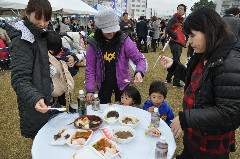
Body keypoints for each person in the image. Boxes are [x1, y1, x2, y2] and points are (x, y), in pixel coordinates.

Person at [159, 8, 240, 159]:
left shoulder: (229, 63)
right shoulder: (202, 54)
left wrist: (185, 119)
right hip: (194, 135)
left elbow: (229, 114)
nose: (189, 41)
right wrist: (175, 66)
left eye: (192, 36)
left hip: (211, 145)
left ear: (209, 32)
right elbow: (197, 84)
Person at [5, 0, 55, 139]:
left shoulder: (38, 34)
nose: (42, 23)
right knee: (41, 141)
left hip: (45, 97)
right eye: (38, 18)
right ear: (27, 13)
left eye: (46, 20)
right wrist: (35, 98)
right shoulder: (22, 39)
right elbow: (19, 79)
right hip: (34, 102)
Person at [85, 9, 147, 104]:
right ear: (99, 29)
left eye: (113, 30)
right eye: (107, 31)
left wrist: (139, 72)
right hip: (103, 83)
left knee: (123, 110)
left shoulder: (124, 40)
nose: (110, 33)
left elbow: (139, 59)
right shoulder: (93, 44)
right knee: (103, 109)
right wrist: (90, 89)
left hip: (123, 82)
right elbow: (90, 68)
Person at [165, 4, 186, 87]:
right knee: (177, 62)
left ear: (184, 11)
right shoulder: (174, 19)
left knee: (175, 61)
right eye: (179, 9)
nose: (180, 10)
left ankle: (168, 79)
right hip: (175, 42)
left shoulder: (181, 20)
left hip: (179, 42)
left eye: (182, 9)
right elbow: (168, 29)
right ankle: (176, 82)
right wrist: (175, 36)